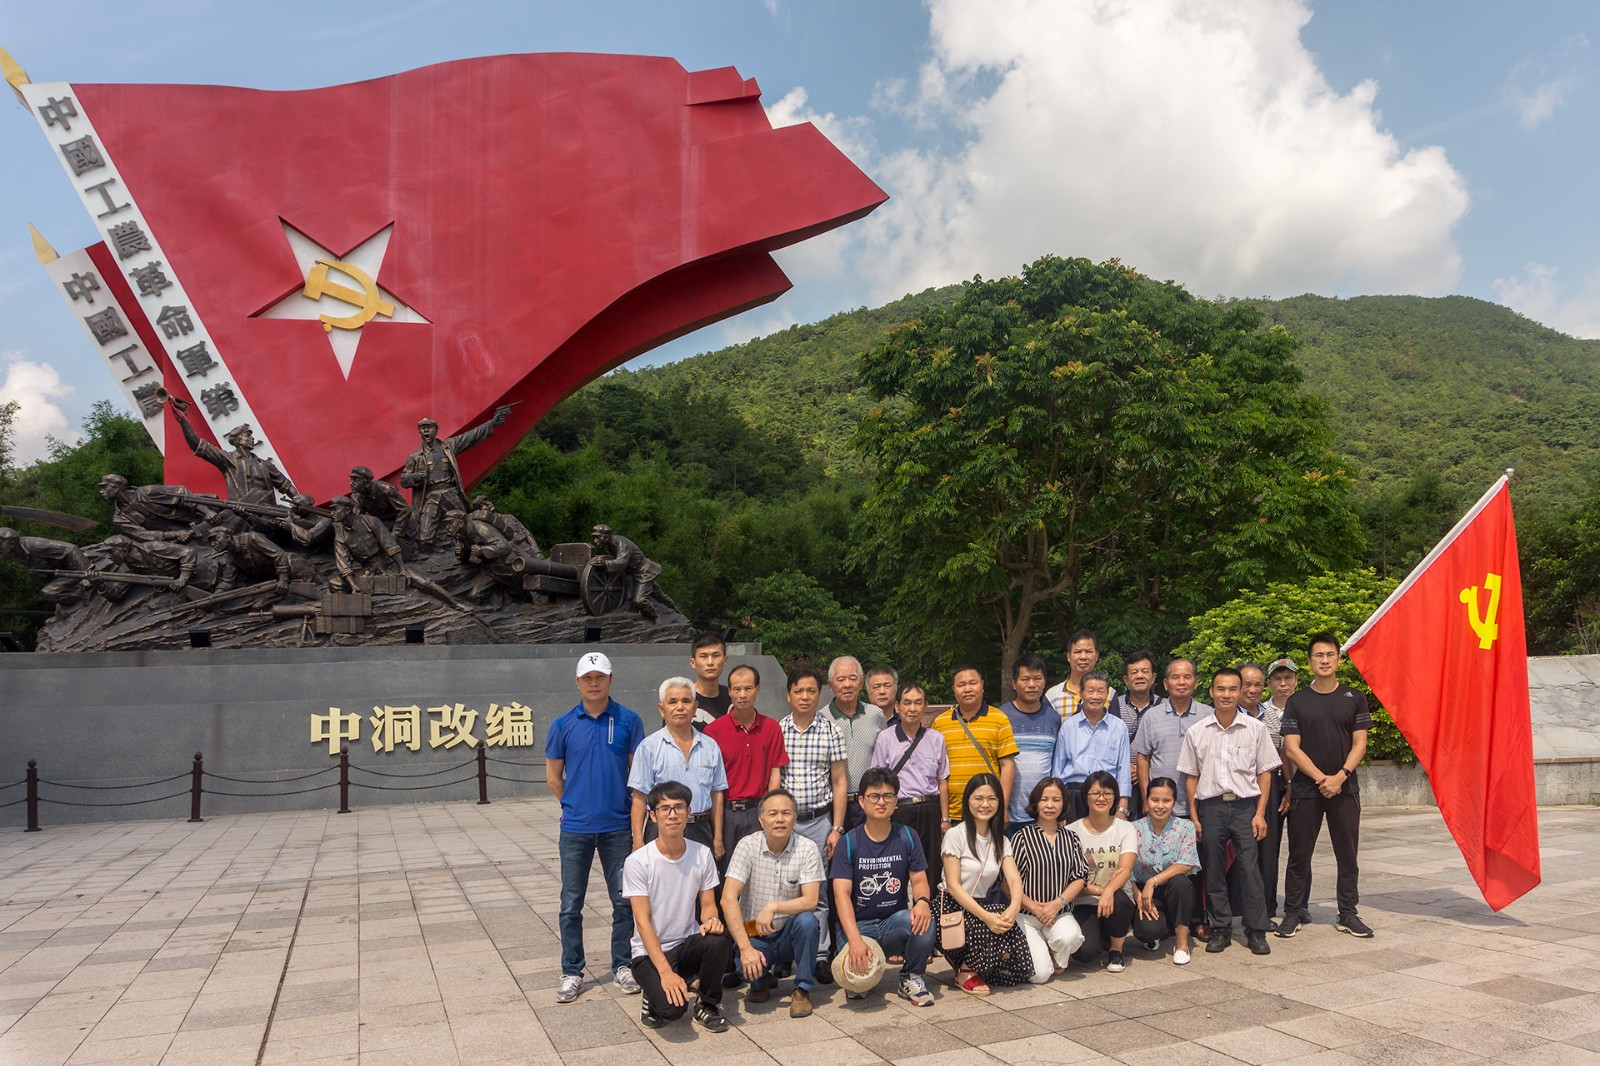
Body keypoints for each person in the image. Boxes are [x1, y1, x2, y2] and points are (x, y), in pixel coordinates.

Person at [544, 651, 646, 1004]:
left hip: (618, 826)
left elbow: (638, 777)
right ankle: (572, 970)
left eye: (599, 676)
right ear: (578, 682)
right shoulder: (562, 724)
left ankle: (622, 964)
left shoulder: (629, 720)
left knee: (624, 901)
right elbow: (553, 777)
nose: (593, 682)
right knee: (571, 903)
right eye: (587, 677)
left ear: (610, 680)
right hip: (576, 828)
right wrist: (573, 803)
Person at [1178, 667, 1280, 957]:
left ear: (1240, 692)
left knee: (1250, 869)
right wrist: (1195, 817)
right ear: (1210, 692)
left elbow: (1265, 774)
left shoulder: (1255, 729)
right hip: (1211, 807)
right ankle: (1220, 928)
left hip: (1245, 806)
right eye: (1220, 689)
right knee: (1214, 869)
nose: (1226, 694)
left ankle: (1255, 929)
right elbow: (1191, 776)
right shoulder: (1197, 732)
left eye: (1232, 689)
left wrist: (1260, 813)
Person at [1279, 633, 1373, 940]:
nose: (1324, 660)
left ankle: (1348, 913)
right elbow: (1292, 748)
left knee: (1347, 855)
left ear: (1338, 660)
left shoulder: (1354, 697)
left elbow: (1361, 742)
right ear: (1309, 662)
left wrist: (1341, 775)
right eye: (1318, 655)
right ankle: (1292, 913)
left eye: (1330, 655)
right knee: (1298, 855)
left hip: (1344, 788)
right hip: (1308, 789)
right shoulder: (1297, 701)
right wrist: (1321, 778)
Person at [624, 781, 733, 1032]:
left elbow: (707, 906)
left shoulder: (702, 854)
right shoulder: (638, 862)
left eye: (678, 807)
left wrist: (712, 920)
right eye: (664, 809)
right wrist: (664, 972)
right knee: (672, 1011)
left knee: (717, 940)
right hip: (649, 953)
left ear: (689, 812)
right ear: (652, 816)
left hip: (686, 944)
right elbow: (642, 921)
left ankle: (707, 1003)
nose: (672, 814)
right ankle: (653, 994)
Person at [829, 767, 937, 1007]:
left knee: (924, 920)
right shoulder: (848, 843)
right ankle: (860, 970)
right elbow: (841, 896)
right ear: (861, 801)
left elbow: (920, 881)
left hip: (892, 923)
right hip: (857, 927)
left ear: (896, 801)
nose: (881, 802)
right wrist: (855, 940)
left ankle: (911, 977)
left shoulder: (907, 836)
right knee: (858, 986)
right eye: (874, 796)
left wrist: (922, 903)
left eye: (888, 796)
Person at [721, 788, 825, 1018]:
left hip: (788, 931)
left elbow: (811, 900)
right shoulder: (747, 846)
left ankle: (802, 990)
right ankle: (761, 981)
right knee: (748, 973)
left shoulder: (807, 848)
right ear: (760, 819)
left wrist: (773, 906)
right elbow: (728, 898)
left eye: (786, 813)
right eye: (773, 813)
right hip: (755, 933)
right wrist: (746, 949)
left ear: (795, 818)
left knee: (808, 921)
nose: (780, 819)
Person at [778, 665, 848, 970]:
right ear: (789, 695)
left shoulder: (831, 729)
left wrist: (837, 827)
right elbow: (775, 779)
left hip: (820, 822)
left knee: (817, 890)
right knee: (784, 887)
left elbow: (840, 781)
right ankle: (782, 953)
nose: (805, 697)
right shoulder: (777, 730)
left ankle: (820, 954)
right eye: (799, 691)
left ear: (819, 695)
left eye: (811, 691)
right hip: (787, 824)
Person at [940, 774, 1034, 993]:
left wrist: (1014, 907)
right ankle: (965, 970)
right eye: (978, 798)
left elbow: (1013, 879)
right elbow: (953, 886)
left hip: (982, 906)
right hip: (953, 909)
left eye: (992, 799)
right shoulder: (955, 835)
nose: (985, 804)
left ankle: (974, 964)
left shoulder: (1002, 840)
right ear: (968, 801)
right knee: (993, 917)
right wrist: (987, 916)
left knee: (1017, 968)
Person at [629, 677, 727, 854]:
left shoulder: (710, 746)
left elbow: (716, 794)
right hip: (662, 830)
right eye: (672, 702)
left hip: (701, 830)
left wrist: (718, 838)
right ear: (661, 709)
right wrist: (638, 841)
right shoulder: (648, 747)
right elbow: (639, 798)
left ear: (695, 707)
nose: (680, 707)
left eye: (686, 701)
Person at [704, 664, 788, 863]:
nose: (742, 694)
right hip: (727, 814)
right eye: (737, 689)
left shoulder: (771, 728)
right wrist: (717, 833)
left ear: (758, 689)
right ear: (730, 692)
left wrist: (769, 810)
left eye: (748, 688)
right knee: (727, 874)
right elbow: (711, 783)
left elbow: (775, 771)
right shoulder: (714, 731)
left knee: (761, 871)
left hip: (759, 810)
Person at [869, 682, 949, 888]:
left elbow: (942, 780)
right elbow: (879, 780)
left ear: (925, 706)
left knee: (931, 866)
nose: (912, 708)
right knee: (897, 864)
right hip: (900, 810)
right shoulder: (885, 738)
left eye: (918, 703)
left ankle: (929, 911)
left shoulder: (936, 738)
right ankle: (898, 913)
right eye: (907, 703)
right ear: (897, 707)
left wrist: (945, 819)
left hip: (930, 810)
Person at [1010, 777, 1089, 980]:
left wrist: (1056, 904)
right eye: (1044, 799)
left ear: (1064, 803)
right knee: (1040, 976)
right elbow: (1007, 882)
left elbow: (1080, 877)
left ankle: (1057, 954)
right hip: (1027, 915)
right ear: (1036, 802)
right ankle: (1041, 949)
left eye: (1056, 799)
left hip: (1059, 913)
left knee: (1070, 936)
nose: (1050, 805)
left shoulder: (1070, 837)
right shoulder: (1022, 837)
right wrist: (1036, 909)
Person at [1233, 660, 1290, 928]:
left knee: (1268, 851)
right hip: (1237, 791)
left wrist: (1288, 786)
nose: (1252, 689)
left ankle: (1265, 909)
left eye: (1257, 684)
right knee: (1238, 852)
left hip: (1269, 788)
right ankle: (1235, 908)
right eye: (1247, 684)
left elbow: (1283, 753)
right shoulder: (1227, 714)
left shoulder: (1272, 715)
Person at [400, 409, 508, 546]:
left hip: (451, 492)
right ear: (419, 432)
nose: (426, 431)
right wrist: (415, 477)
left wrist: (492, 423)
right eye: (422, 428)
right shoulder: (415, 457)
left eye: (429, 427)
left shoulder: (449, 446)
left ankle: (474, 550)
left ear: (436, 430)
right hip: (430, 497)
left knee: (468, 525)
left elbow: (471, 436)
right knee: (424, 537)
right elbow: (403, 480)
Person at [1066, 771, 1138, 972]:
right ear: (1085, 797)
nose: (1101, 798)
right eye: (1095, 793)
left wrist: (1108, 891)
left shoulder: (1125, 828)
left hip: (1116, 897)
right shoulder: (1072, 832)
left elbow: (1126, 869)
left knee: (1121, 900)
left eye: (1107, 793)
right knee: (1085, 953)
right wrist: (1100, 891)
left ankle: (1116, 950)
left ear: (1115, 797)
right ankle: (1102, 937)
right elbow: (1071, 878)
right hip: (1083, 900)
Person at [933, 665, 1018, 823]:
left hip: (988, 809)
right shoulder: (940, 723)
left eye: (973, 683)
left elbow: (1007, 765)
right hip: (953, 813)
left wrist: (1003, 806)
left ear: (982, 685)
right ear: (954, 689)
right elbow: (936, 770)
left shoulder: (999, 719)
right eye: (961, 685)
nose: (967, 689)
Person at [1130, 777, 1200, 965]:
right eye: (1155, 800)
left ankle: (1182, 943)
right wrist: (1137, 894)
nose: (1160, 806)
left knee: (1181, 882)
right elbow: (1125, 868)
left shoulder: (1185, 827)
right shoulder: (1133, 829)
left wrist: (1153, 882)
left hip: (1174, 889)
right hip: (1144, 892)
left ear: (1174, 802)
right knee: (1147, 932)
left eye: (1166, 801)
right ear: (1147, 799)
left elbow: (1187, 863)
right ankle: (1161, 929)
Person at [1132, 658, 1213, 819]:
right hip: (1161, 806)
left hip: (1202, 804)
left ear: (1196, 682)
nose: (1181, 682)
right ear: (1165, 683)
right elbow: (1143, 759)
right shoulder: (1152, 716)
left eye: (1187, 677)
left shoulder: (1209, 715)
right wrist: (1146, 798)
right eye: (1175, 677)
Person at [1051, 671, 1132, 822]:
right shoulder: (1068, 726)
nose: (1095, 696)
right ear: (1081, 694)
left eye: (1101, 691)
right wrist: (1057, 804)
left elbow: (1123, 768)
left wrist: (1123, 806)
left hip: (1107, 795)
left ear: (1107, 695)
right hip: (1073, 795)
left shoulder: (1119, 727)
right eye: (1090, 691)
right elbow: (1058, 769)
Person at [173, 405, 295, 505]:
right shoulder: (228, 460)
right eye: (247, 436)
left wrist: (301, 501)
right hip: (243, 512)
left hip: (270, 511)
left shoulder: (265, 465)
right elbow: (197, 444)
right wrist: (183, 419)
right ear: (238, 441)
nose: (252, 438)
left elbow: (285, 485)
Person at [1264, 657, 1307, 924]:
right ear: (1269, 683)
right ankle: (1267, 903)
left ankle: (1299, 904)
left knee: (1301, 845)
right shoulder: (1260, 712)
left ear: (1296, 681)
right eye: (1277, 679)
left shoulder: (1305, 707)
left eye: (1288, 678)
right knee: (1269, 847)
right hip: (1270, 783)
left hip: (1301, 782)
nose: (1283, 684)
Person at [823, 655, 888, 830]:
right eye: (840, 679)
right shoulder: (821, 719)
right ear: (830, 685)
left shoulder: (876, 714)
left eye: (853, 678)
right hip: (834, 804)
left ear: (861, 682)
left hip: (869, 802)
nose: (847, 684)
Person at [1001, 653, 1059, 833]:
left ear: (1044, 682)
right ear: (1014, 683)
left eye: (1037, 679)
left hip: (1044, 813)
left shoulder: (1053, 718)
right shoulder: (1002, 717)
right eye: (1025, 679)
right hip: (1009, 814)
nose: (1031, 685)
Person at [1112, 650, 1163, 819]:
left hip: (1156, 782)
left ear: (1154, 677)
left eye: (1145, 671)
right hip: (1121, 782)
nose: (1139, 676)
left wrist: (1143, 770)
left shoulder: (1165, 707)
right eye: (1134, 672)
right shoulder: (1113, 706)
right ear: (1126, 680)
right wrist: (1126, 769)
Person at [1044, 629, 1100, 718]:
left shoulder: (1109, 693)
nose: (1083, 657)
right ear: (1068, 656)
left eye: (1088, 652)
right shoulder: (1052, 696)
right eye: (1077, 652)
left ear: (1097, 655)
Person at [688, 632, 731, 728]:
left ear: (725, 660)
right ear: (693, 663)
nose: (710, 662)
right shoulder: (682, 699)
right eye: (703, 656)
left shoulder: (733, 698)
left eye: (716, 655)